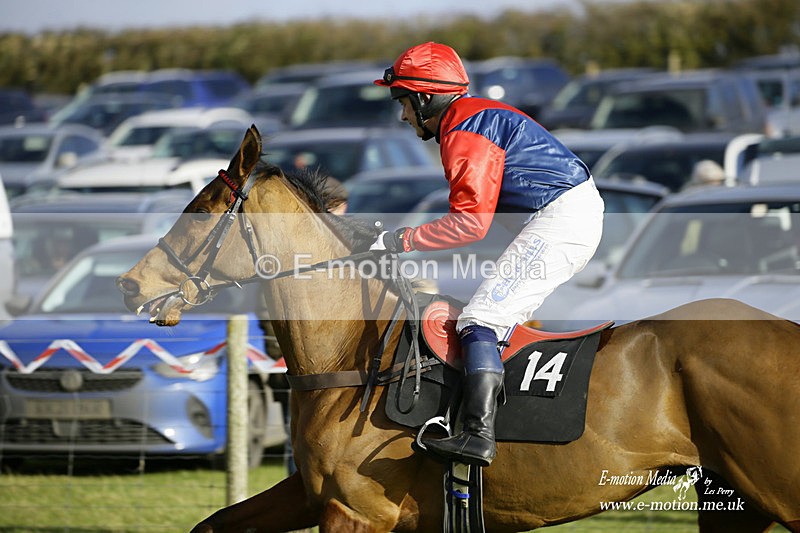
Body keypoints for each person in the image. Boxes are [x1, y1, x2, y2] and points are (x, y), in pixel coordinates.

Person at [370, 42, 604, 467]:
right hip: (559, 214)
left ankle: (478, 436)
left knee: (481, 319)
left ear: (425, 98)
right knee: (478, 312)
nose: (403, 116)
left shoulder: (463, 129)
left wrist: (401, 240)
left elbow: (470, 224)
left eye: (403, 102)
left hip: (560, 218)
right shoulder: (471, 116)